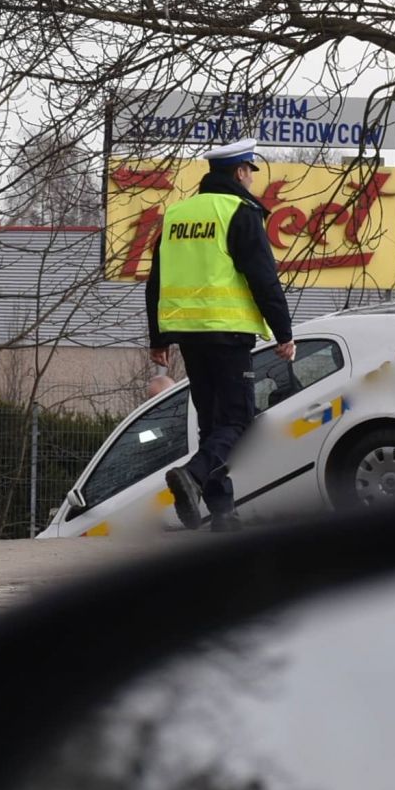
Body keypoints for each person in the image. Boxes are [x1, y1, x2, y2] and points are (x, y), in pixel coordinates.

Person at [144, 138, 294, 532]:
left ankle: (222, 514)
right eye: (250, 174)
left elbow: (155, 281)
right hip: (227, 333)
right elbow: (263, 277)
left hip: (188, 335)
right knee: (239, 419)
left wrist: (158, 338)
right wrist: (284, 332)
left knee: (213, 423)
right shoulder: (240, 211)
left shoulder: (177, 213)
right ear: (241, 172)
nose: (251, 182)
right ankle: (193, 477)